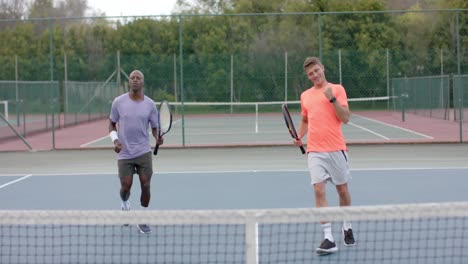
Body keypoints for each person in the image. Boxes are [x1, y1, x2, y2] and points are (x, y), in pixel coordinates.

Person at [293, 57, 355, 255]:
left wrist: (332, 98)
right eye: (310, 73)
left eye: (316, 71)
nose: (314, 75)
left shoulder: (337, 89)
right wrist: (299, 135)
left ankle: (346, 225)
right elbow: (305, 119)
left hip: (336, 149)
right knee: (318, 191)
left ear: (323, 69)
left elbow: (345, 118)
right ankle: (329, 238)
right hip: (315, 150)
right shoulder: (305, 96)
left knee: (342, 191)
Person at [108, 69, 163, 234]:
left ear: (143, 82)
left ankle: (142, 218)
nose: (135, 80)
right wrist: (115, 140)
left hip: (143, 152)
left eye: (138, 78)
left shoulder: (150, 105)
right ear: (129, 82)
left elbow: (155, 127)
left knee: (146, 185)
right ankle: (125, 204)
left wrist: (157, 137)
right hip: (124, 153)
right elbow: (111, 123)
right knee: (126, 187)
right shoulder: (118, 102)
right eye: (132, 78)